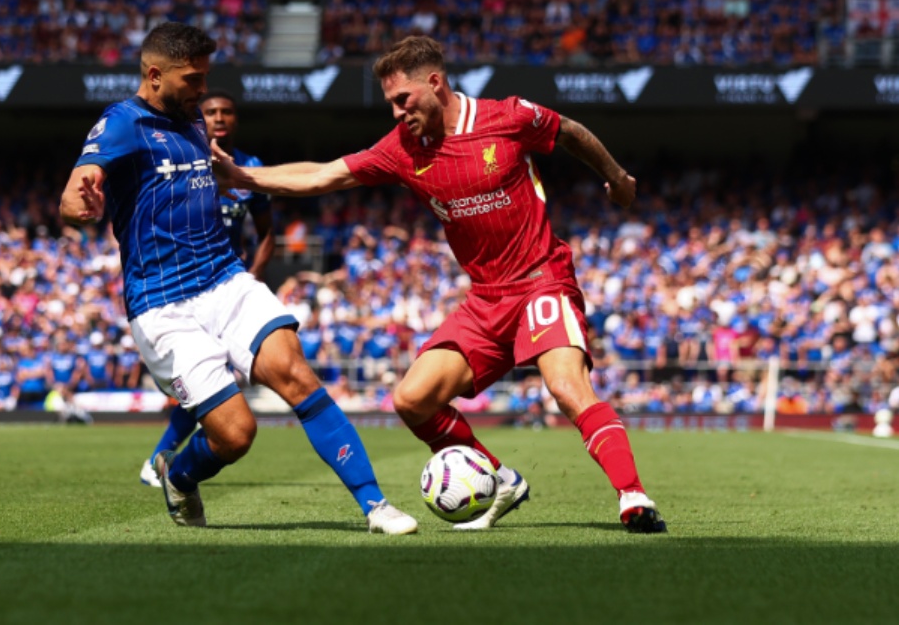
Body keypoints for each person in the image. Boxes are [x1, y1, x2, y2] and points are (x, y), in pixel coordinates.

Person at [212, 35, 667, 533]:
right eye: (389, 103)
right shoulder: (403, 148)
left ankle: (632, 496)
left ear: (435, 83)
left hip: (541, 280)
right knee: (412, 399)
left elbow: (573, 132)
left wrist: (618, 178)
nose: (395, 113)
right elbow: (325, 175)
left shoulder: (507, 117)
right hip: (485, 299)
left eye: (401, 99)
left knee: (565, 385)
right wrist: (245, 178)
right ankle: (499, 478)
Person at [60, 21, 416, 534]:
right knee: (236, 434)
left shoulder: (193, 124)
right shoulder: (121, 123)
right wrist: (82, 203)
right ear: (155, 75)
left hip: (225, 280)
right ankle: (180, 476)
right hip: (162, 305)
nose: (203, 92)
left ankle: (375, 505)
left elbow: (235, 185)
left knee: (296, 374)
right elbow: (73, 193)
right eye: (193, 80)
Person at [139, 89, 277, 488]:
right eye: (211, 111)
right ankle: (159, 460)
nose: (219, 117)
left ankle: (159, 461)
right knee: (212, 379)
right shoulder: (183, 159)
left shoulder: (250, 167)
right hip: (181, 287)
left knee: (219, 379)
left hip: (226, 288)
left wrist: (252, 277)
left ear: (235, 119)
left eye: (227, 111)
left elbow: (267, 234)